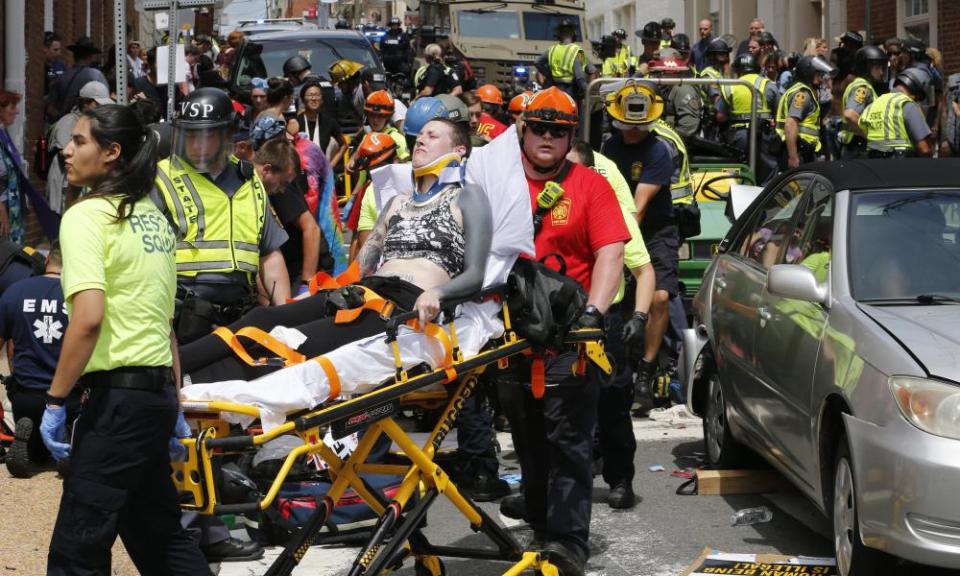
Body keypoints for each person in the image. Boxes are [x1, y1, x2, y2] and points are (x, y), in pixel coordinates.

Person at [181, 118, 491, 385]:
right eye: (420, 135)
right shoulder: (398, 203)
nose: (421, 139)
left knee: (291, 343)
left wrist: (438, 293)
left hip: (406, 303)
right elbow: (362, 265)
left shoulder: (466, 197)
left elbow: (476, 274)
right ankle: (173, 367)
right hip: (365, 292)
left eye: (433, 136)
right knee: (265, 317)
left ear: (458, 151)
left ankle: (189, 386)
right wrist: (316, 291)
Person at [39, 103, 210, 575]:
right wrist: (172, 402)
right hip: (152, 396)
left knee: (78, 549)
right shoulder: (151, 217)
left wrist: (55, 400)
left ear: (112, 152)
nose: (66, 152)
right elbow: (164, 322)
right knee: (158, 536)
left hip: (118, 401)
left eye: (79, 142)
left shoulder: (86, 216)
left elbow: (88, 319)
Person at [496, 87, 628, 575]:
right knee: (528, 440)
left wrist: (594, 314)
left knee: (569, 442)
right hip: (511, 336)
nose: (548, 137)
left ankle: (569, 541)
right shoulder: (501, 183)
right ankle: (541, 523)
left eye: (559, 130)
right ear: (523, 132)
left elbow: (611, 254)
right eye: (539, 128)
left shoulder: (591, 185)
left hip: (570, 335)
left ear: (571, 136)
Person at [153, 88, 291, 345]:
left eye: (205, 136)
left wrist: (282, 316)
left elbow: (270, 254)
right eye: (189, 135)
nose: (195, 145)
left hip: (240, 316)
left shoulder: (249, 180)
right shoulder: (161, 178)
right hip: (182, 318)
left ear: (227, 134)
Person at [567, 140, 654, 510]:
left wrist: (639, 316)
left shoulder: (611, 213)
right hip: (562, 324)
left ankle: (620, 479)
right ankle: (565, 482)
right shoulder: (547, 208)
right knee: (562, 410)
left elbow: (644, 270)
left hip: (606, 323)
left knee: (613, 404)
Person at [600, 81, 677, 415]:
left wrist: (620, 246)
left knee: (658, 297)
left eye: (637, 126)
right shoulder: (609, 148)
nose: (630, 132)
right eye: (625, 125)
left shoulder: (658, 151)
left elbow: (639, 207)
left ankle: (646, 373)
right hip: (617, 226)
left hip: (654, 228)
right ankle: (625, 367)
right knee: (626, 305)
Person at [0, 242, 80, 478]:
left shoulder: (15, 292)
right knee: (83, 439)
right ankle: (66, 438)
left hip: (25, 395)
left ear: (46, 261)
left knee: (34, 451)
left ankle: (30, 439)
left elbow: (6, 347)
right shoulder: (80, 298)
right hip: (67, 398)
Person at [46, 82, 113, 215]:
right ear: (85, 103)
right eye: (97, 103)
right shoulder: (69, 121)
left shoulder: (90, 122)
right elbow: (63, 152)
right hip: (64, 185)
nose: (101, 108)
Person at [717, 53, 779, 181]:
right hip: (763, 135)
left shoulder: (730, 86)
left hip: (739, 136)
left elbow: (720, 117)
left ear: (738, 71)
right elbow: (779, 113)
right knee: (767, 172)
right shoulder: (768, 85)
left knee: (739, 172)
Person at [775, 55, 836, 169]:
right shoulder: (802, 94)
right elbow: (791, 124)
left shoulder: (802, 91)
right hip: (799, 153)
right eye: (818, 75)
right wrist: (793, 157)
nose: (821, 79)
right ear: (808, 73)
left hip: (804, 151)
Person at [859, 67, 933, 158]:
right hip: (900, 166)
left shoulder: (874, 104)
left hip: (873, 165)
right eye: (918, 98)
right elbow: (924, 149)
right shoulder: (906, 104)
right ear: (916, 90)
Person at [839, 45, 887, 159]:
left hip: (854, 146)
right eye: (877, 68)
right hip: (859, 147)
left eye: (883, 68)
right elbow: (850, 114)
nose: (881, 72)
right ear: (866, 68)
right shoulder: (862, 88)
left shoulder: (860, 85)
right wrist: (871, 136)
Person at [46, 36, 108, 122]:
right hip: (88, 124)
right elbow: (105, 104)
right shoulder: (96, 75)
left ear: (74, 56)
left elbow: (50, 108)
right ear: (90, 56)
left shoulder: (62, 77)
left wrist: (62, 118)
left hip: (65, 124)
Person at [649, 54, 702, 140]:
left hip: (679, 143)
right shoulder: (666, 89)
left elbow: (688, 128)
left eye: (658, 73)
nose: (655, 77)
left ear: (671, 73)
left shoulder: (683, 90)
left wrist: (664, 138)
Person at [297, 79, 347, 167]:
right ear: (303, 99)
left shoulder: (329, 122)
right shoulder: (296, 122)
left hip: (322, 172)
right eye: (310, 95)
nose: (314, 98)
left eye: (317, 95)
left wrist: (331, 165)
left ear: (322, 100)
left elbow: (343, 145)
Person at [537, 19, 591, 100]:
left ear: (559, 34)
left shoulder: (552, 49)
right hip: (570, 91)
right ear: (573, 33)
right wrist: (586, 91)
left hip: (554, 89)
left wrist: (548, 74)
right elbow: (579, 77)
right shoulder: (577, 50)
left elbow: (537, 62)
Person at [379, 17, 413, 81]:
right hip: (388, 64)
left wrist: (408, 62)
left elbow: (407, 50)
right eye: (393, 25)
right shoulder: (385, 37)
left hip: (400, 63)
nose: (394, 26)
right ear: (390, 25)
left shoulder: (404, 36)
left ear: (398, 25)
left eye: (396, 24)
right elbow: (382, 50)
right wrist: (382, 58)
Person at [44, 32, 66, 97]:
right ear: (45, 49)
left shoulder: (60, 64)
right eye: (55, 50)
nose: (59, 53)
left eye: (59, 50)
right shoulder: (39, 69)